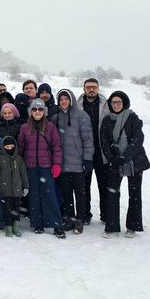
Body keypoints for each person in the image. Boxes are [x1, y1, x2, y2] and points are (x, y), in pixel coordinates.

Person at [100, 91, 150, 239]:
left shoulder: (133, 118)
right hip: (115, 162)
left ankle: (132, 226)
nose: (116, 105)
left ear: (124, 103)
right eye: (113, 102)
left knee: (134, 194)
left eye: (119, 102)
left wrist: (126, 156)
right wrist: (112, 158)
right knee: (112, 193)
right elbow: (104, 141)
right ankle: (111, 226)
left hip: (134, 161)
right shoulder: (107, 120)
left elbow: (138, 139)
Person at [17, 99, 65, 238]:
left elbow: (57, 146)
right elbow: (20, 148)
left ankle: (56, 224)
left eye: (40, 109)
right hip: (30, 167)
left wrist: (57, 164)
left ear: (44, 111)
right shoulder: (25, 128)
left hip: (46, 167)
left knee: (49, 195)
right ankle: (37, 223)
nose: (37, 112)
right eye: (34, 109)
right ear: (30, 111)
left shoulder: (50, 127)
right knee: (34, 196)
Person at [50, 89, 95, 234]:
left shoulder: (81, 116)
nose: (63, 102)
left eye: (66, 99)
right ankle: (70, 218)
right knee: (67, 193)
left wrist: (88, 158)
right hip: (63, 164)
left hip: (78, 163)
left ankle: (80, 219)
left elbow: (88, 139)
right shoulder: (56, 118)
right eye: (61, 99)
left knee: (80, 194)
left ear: (71, 100)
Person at [78, 78, 110, 225]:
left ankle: (105, 214)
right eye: (88, 87)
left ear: (98, 89)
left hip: (101, 152)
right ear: (84, 89)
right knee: (84, 186)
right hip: (84, 153)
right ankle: (85, 214)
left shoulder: (106, 104)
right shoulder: (77, 105)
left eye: (94, 87)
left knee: (104, 185)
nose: (91, 90)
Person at [0, 137, 29, 237]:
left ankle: (16, 227)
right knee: (8, 210)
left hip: (17, 190)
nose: (9, 148)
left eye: (11, 146)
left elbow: (23, 174)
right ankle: (9, 228)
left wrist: (26, 186)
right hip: (5, 190)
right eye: (7, 147)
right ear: (3, 147)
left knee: (16, 209)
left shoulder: (19, 159)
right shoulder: (0, 159)